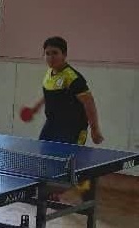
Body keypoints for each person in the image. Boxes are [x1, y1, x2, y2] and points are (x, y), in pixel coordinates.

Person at [26, 36, 103, 199]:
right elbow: (49, 94)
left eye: (55, 53)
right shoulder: (49, 73)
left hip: (73, 128)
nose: (50, 57)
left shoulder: (73, 78)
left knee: (72, 164)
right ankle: (54, 191)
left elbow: (89, 103)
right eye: (47, 53)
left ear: (64, 55)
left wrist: (95, 130)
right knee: (45, 156)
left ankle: (87, 192)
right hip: (52, 124)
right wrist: (35, 108)